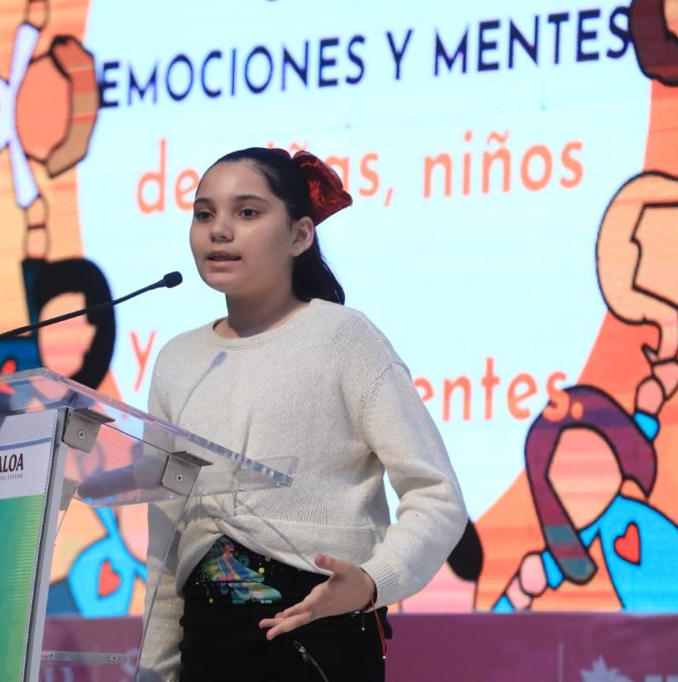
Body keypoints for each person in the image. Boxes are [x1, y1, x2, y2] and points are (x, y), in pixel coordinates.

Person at [137, 147, 467, 681]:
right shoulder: (178, 360)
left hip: (321, 636)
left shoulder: (344, 337)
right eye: (203, 214)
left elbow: (437, 496)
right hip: (206, 645)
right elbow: (167, 542)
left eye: (247, 212)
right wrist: (153, 672)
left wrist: (374, 581)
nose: (219, 230)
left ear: (300, 235)